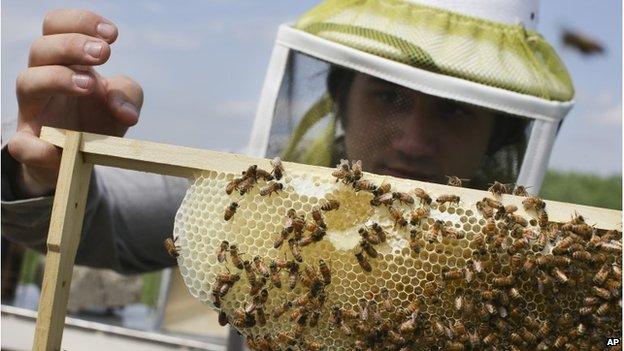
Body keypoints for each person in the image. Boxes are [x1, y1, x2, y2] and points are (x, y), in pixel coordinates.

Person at [2, 0, 575, 348]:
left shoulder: (532, 266)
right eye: (389, 97)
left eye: (453, 110)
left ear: (499, 135)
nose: (414, 140)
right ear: (342, 100)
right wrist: (49, 170)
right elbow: (98, 224)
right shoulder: (261, 197)